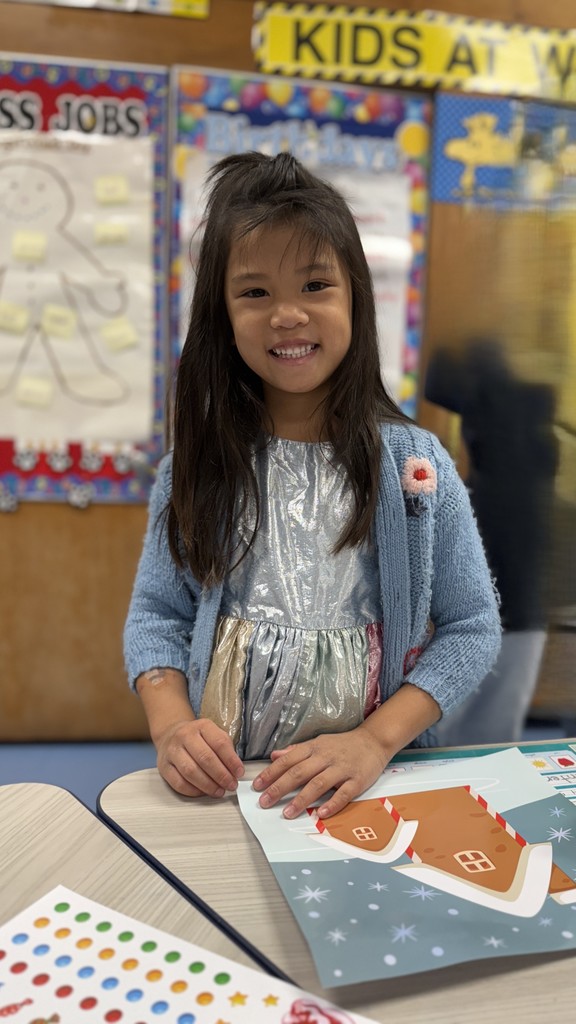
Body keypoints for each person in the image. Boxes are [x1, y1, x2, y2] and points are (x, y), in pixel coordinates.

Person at [124, 151, 501, 822]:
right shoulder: (194, 468)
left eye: (315, 285)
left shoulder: (415, 467)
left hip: (371, 784)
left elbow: (472, 628)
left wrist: (374, 741)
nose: (288, 315)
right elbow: (157, 618)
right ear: (222, 313)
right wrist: (172, 728)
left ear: (354, 292)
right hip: (228, 790)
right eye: (255, 292)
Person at [425, 339, 558, 745]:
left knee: (445, 734)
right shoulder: (540, 421)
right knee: (493, 738)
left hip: (493, 607)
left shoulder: (491, 405)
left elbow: (438, 379)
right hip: (522, 606)